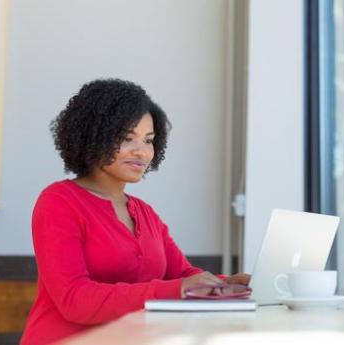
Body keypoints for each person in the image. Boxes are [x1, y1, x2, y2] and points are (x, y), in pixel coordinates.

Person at [20, 79, 250, 345]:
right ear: (93, 136)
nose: (142, 152)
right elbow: (75, 299)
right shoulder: (59, 201)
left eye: (149, 140)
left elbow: (183, 275)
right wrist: (177, 289)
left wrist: (228, 282)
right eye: (127, 138)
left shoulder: (145, 213)